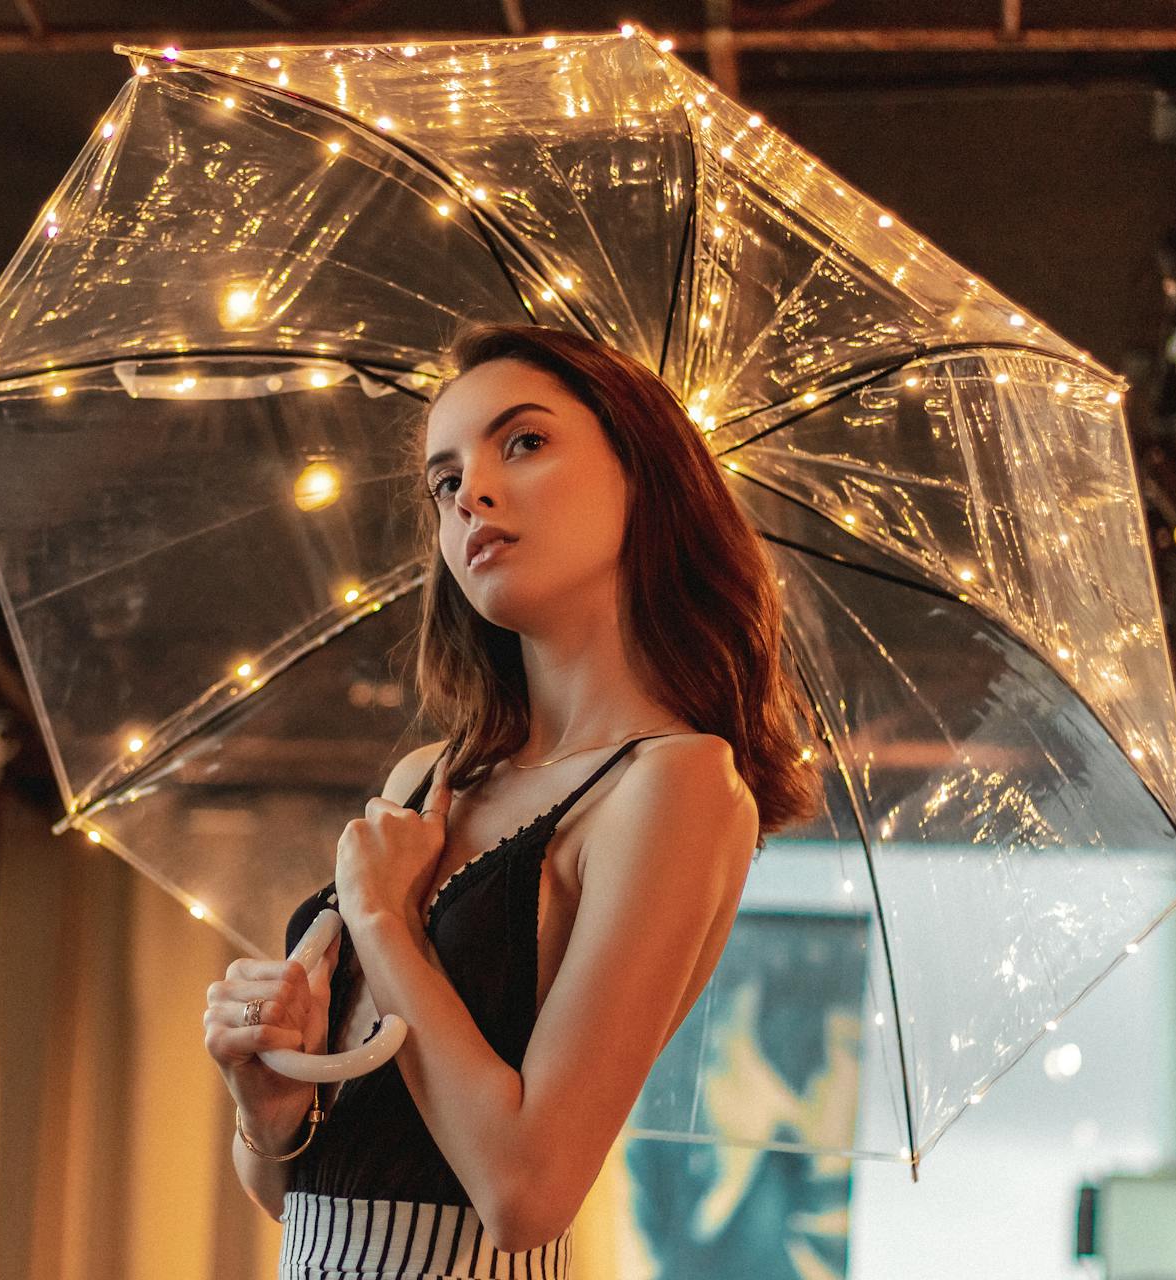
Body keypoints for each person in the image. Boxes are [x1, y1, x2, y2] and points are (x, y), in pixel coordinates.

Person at [202, 322, 824, 1279]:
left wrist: (383, 918)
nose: (471, 495)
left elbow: (525, 1194)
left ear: (642, 476)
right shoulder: (427, 778)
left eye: (523, 443)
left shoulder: (679, 785)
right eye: (444, 482)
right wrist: (267, 1106)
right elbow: (303, 1196)